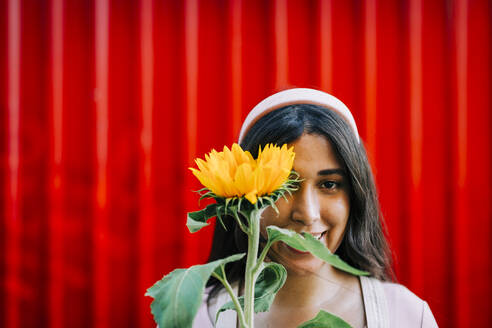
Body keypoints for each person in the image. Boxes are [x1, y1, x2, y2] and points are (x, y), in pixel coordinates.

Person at [193, 88, 438, 328]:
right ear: (242, 199)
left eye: (329, 184)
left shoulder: (407, 316)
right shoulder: (194, 318)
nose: (308, 214)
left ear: (356, 195)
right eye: (285, 186)